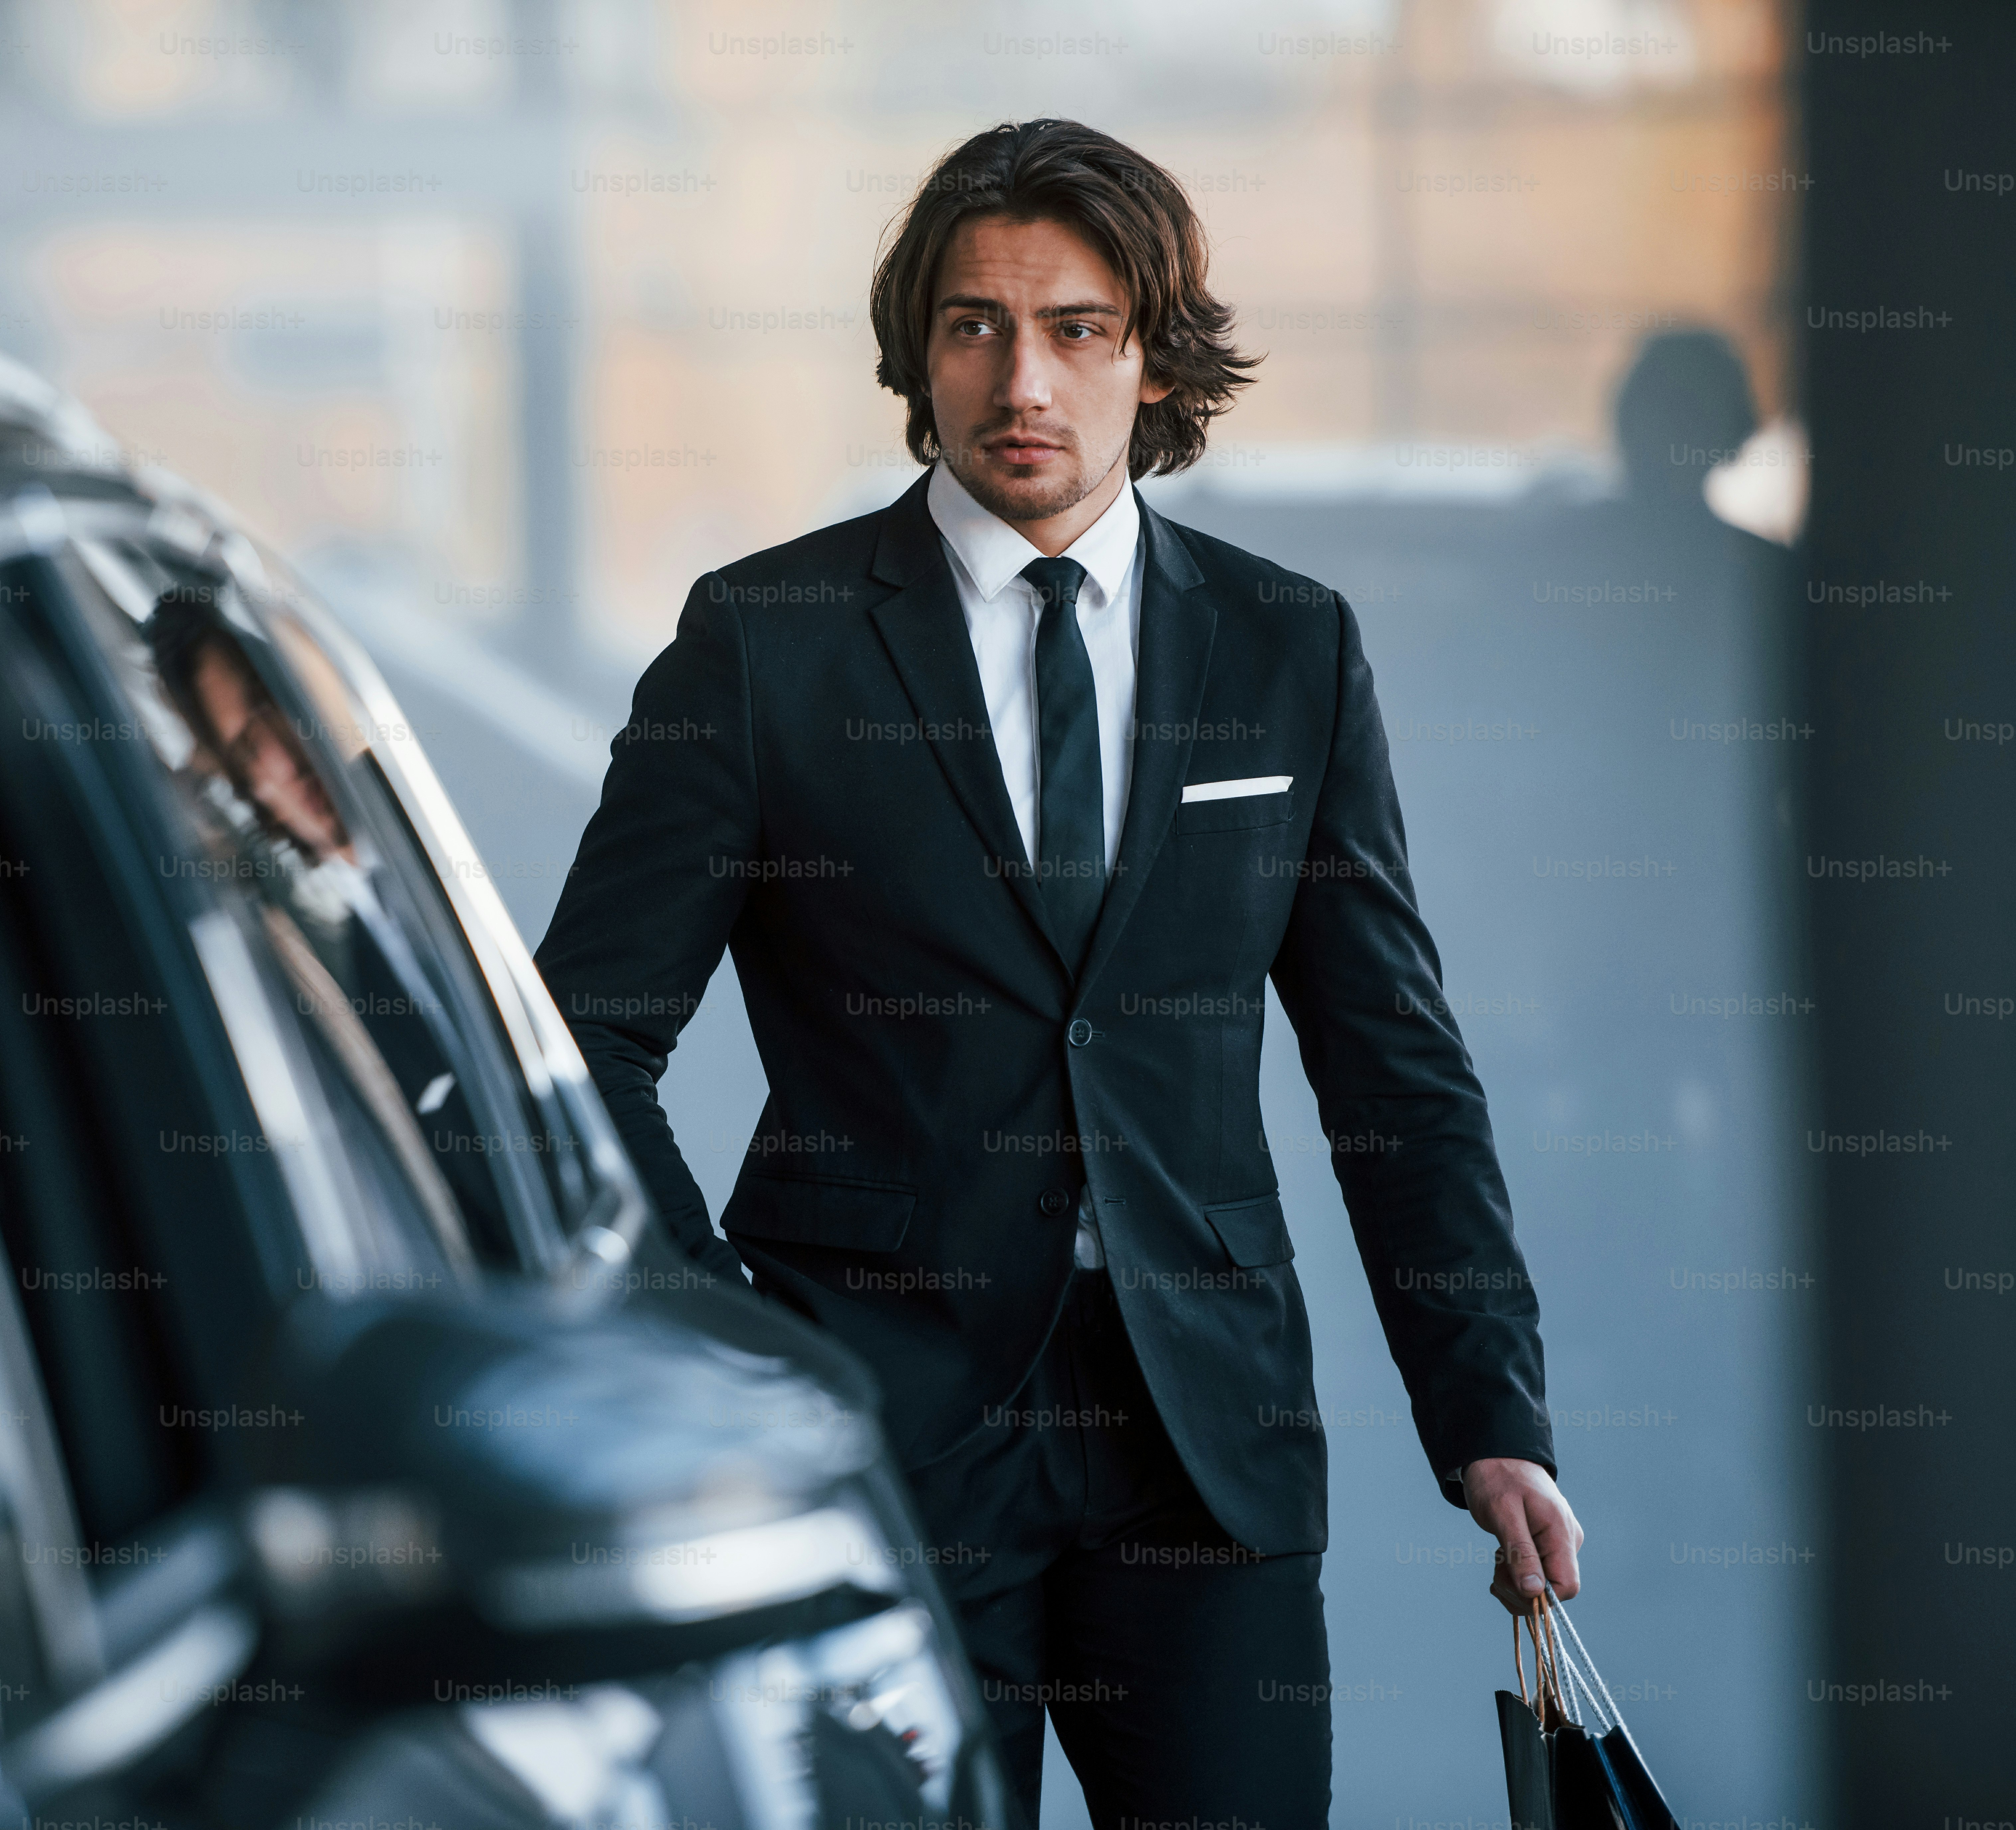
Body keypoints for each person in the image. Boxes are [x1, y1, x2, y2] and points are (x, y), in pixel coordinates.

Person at [532, 119, 1581, 1826]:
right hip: (882, 1438)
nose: (1022, 380)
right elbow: (581, 1035)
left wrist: (1492, 1412)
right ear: (920, 353)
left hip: (1205, 1441)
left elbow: (1392, 1062)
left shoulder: (1288, 646)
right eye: (975, 326)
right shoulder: (765, 641)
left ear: (1153, 358)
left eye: (1077, 328)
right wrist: (730, 1351)